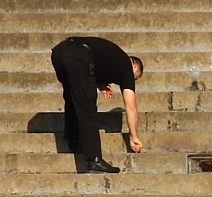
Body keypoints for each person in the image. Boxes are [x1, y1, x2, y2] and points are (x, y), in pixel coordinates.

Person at [50, 37, 144, 173]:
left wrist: (99, 84)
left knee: (73, 97)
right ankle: (94, 159)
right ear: (134, 67)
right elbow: (131, 107)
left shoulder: (116, 58)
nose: (131, 81)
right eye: (135, 78)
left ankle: (73, 139)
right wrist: (134, 137)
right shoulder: (126, 67)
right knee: (88, 107)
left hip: (60, 52)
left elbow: (95, 61)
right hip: (77, 56)